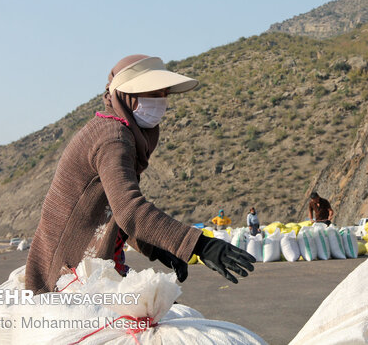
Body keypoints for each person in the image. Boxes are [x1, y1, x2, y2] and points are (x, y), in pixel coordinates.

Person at [25, 54, 255, 294]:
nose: (161, 103)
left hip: (94, 268)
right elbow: (129, 210)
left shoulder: (113, 131)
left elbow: (112, 211)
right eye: (153, 95)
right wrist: (199, 244)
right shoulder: (112, 139)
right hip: (68, 277)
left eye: (164, 95)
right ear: (127, 97)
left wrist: (159, 248)